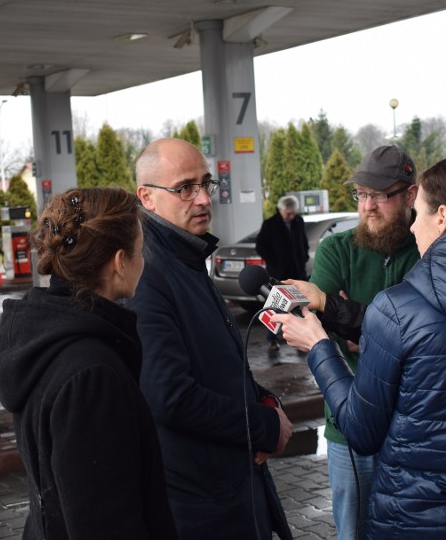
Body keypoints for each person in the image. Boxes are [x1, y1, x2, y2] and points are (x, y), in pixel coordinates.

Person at [272, 155, 446, 539]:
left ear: (441, 217)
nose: (412, 227)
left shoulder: (397, 307)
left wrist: (319, 345)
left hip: (415, 520)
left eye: (418, 213)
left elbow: (362, 431)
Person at [132, 138, 293, 540]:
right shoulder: (148, 275)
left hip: (230, 489)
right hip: (201, 506)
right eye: (185, 187)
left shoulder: (185, 257)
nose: (203, 198)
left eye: (207, 184)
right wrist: (263, 426)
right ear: (146, 197)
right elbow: (171, 396)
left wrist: (264, 400)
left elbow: (213, 367)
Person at [0, 187, 177, 539]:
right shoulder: (91, 375)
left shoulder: (46, 336)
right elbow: (105, 521)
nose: (145, 261)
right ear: (119, 262)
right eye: (140, 251)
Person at [308, 144, 421, 539]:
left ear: (410, 195)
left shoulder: (429, 251)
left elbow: (427, 337)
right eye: (361, 194)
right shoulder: (336, 250)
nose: (368, 205)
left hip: (415, 427)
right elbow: (320, 325)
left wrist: (354, 321)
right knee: (353, 532)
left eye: (379, 195)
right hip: (348, 423)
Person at [255, 194, 309, 352]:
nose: (291, 216)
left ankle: (301, 340)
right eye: (288, 214)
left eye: (293, 213)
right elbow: (261, 246)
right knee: (275, 307)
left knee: (299, 307)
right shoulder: (270, 224)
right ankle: (272, 339)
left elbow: (303, 242)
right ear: (280, 210)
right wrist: (274, 261)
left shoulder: (298, 221)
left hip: (297, 271)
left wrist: (303, 257)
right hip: (278, 273)